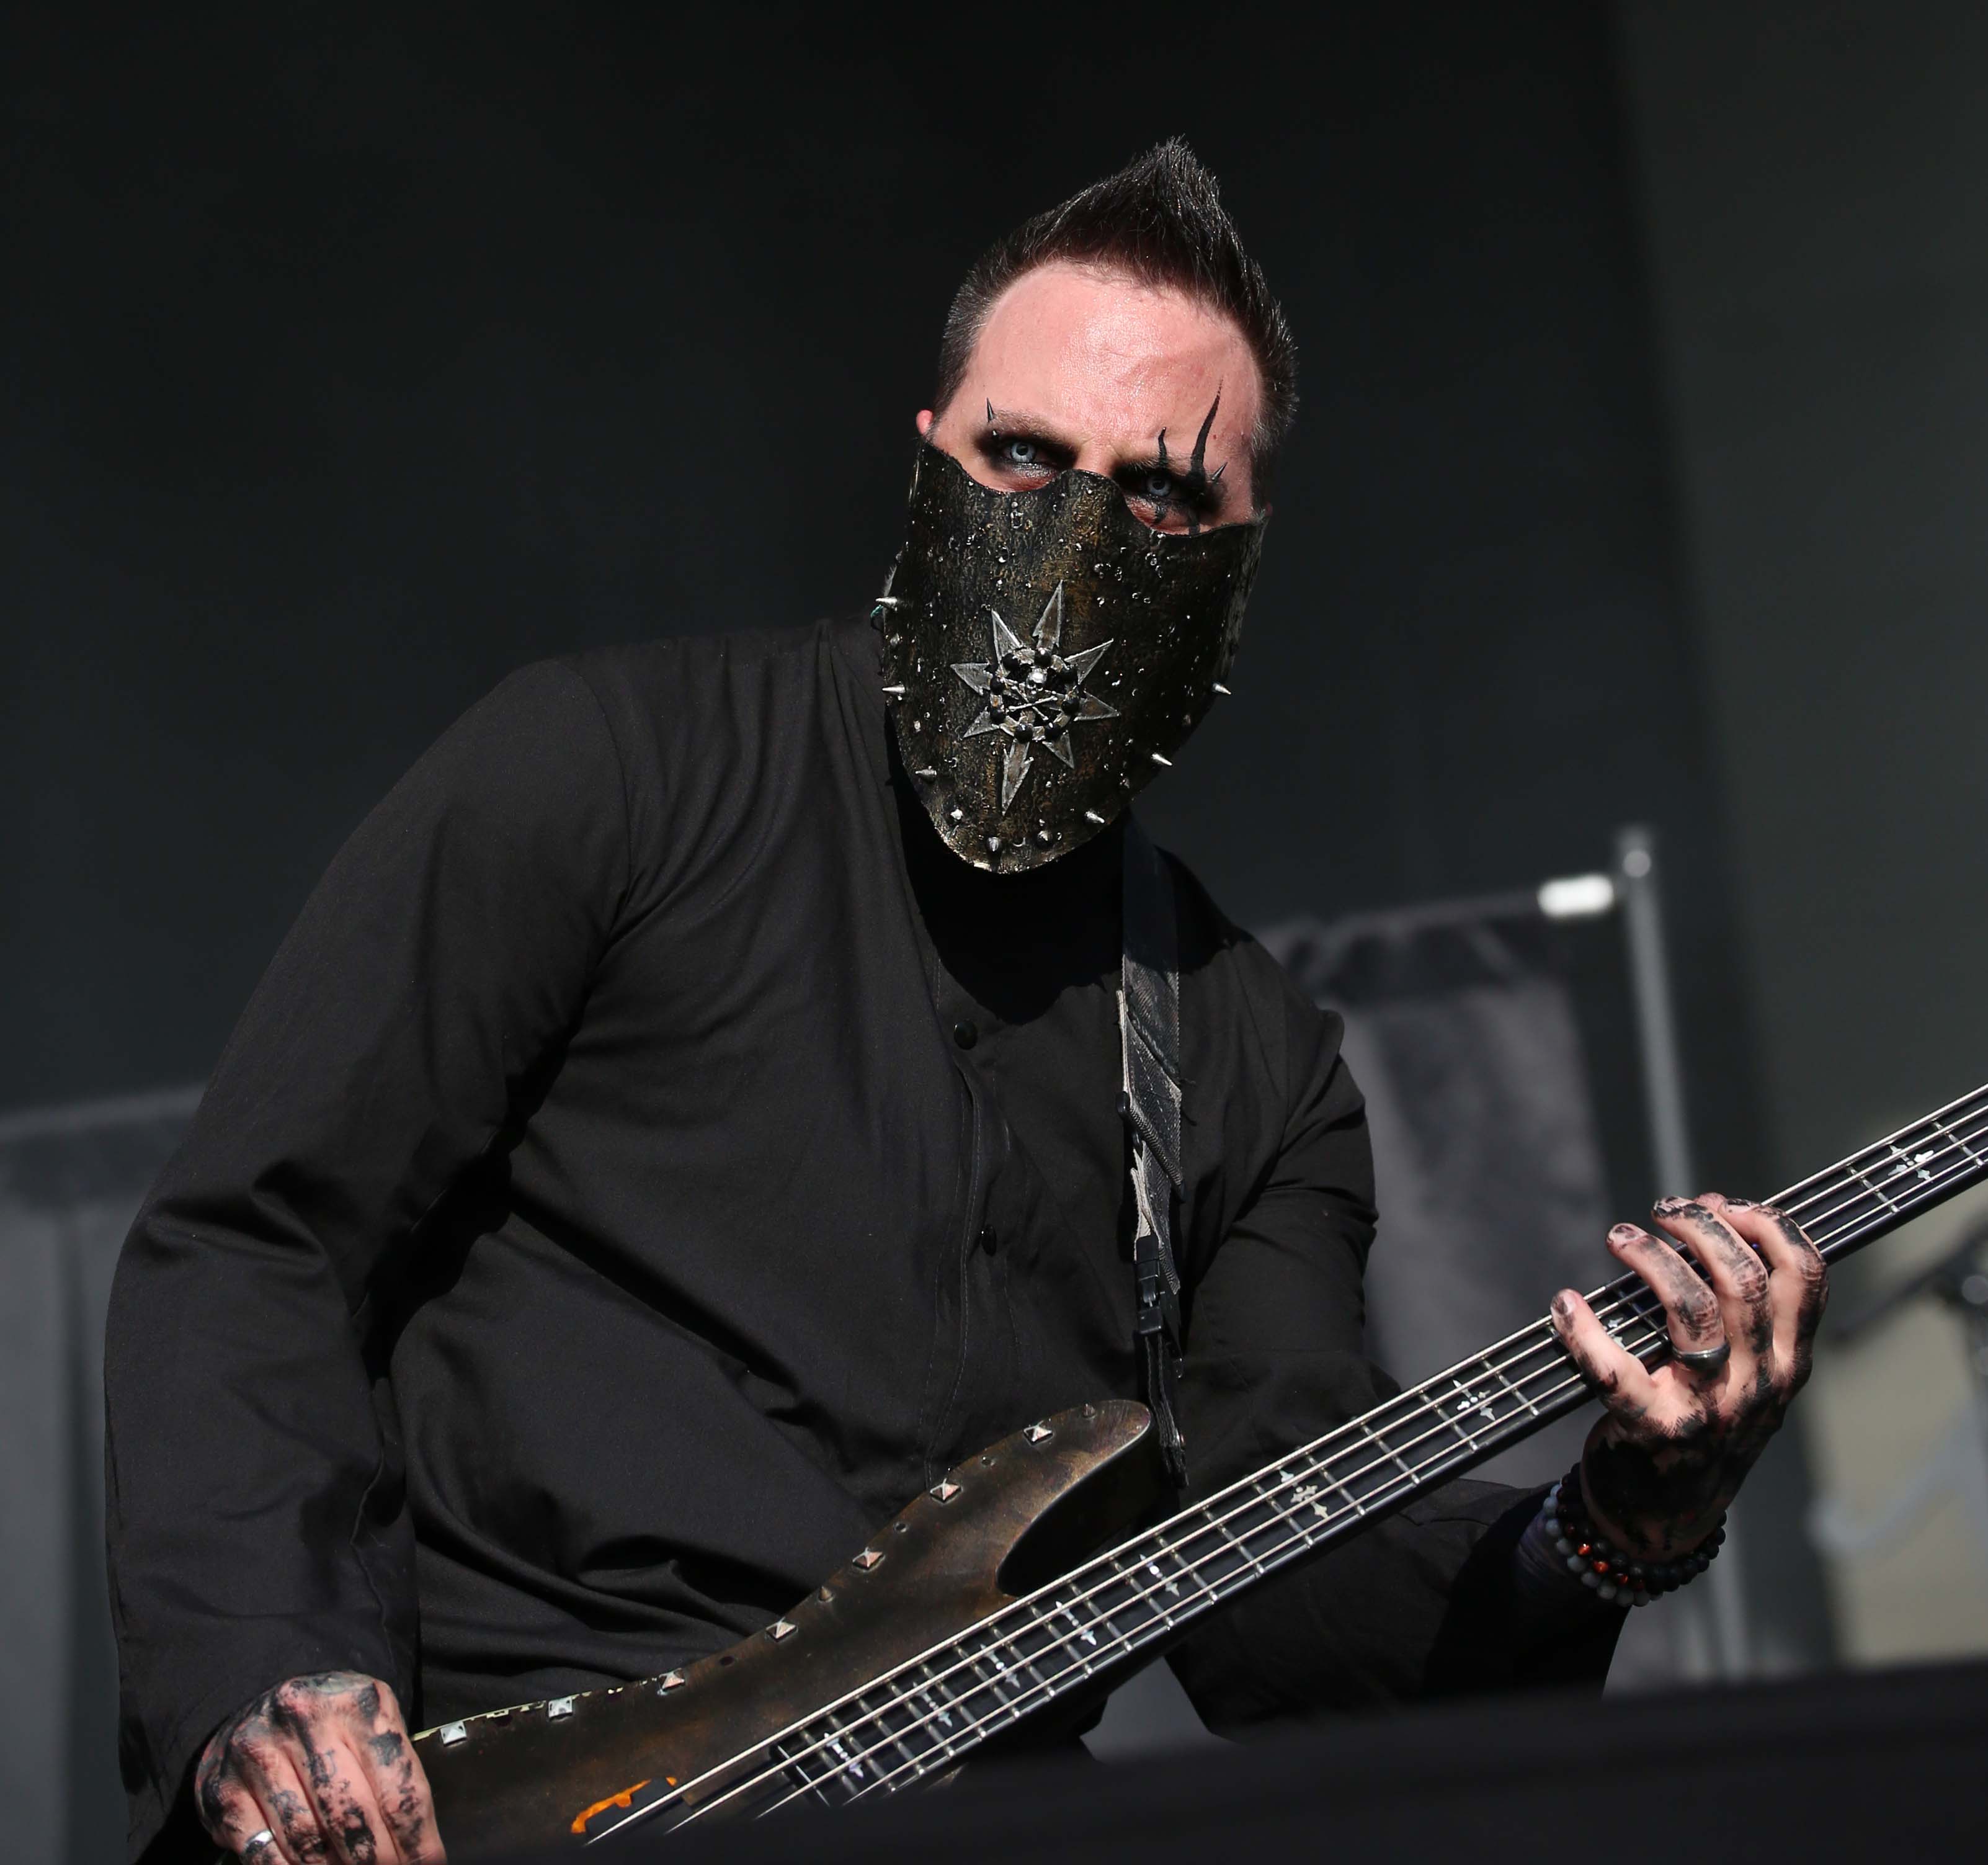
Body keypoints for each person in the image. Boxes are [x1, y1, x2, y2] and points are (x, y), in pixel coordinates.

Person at [105, 141, 1827, 1865]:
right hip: (500, 1785)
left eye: (1158, 497)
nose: (1074, 540)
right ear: (929, 455)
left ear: (1243, 553)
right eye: (1022, 458)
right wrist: (273, 1671)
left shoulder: (1250, 1059)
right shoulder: (604, 771)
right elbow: (260, 1243)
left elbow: (1292, 1614)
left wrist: (1615, 1525)